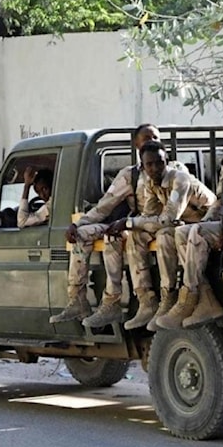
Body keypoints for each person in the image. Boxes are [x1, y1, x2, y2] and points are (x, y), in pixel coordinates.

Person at [159, 96, 223, 330]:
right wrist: (208, 223)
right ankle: (204, 298)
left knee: (195, 232)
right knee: (183, 233)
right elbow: (219, 200)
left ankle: (189, 296)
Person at [95, 140, 216, 331]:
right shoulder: (151, 183)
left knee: (165, 235)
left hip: (207, 222)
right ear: (143, 167)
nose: (155, 168)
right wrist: (131, 227)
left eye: (159, 163)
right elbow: (149, 217)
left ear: (166, 161)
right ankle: (146, 300)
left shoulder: (180, 179)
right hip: (184, 224)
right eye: (149, 165)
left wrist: (128, 222)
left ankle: (170, 296)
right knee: (136, 235)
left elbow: (168, 218)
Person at [50, 123, 160, 325]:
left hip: (152, 225)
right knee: (82, 234)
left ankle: (115, 299)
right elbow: (104, 206)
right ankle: (77, 299)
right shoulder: (130, 175)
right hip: (131, 223)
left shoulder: (171, 170)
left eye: (155, 137)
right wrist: (78, 224)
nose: (151, 141)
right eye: (146, 138)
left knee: (116, 237)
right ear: (136, 145)